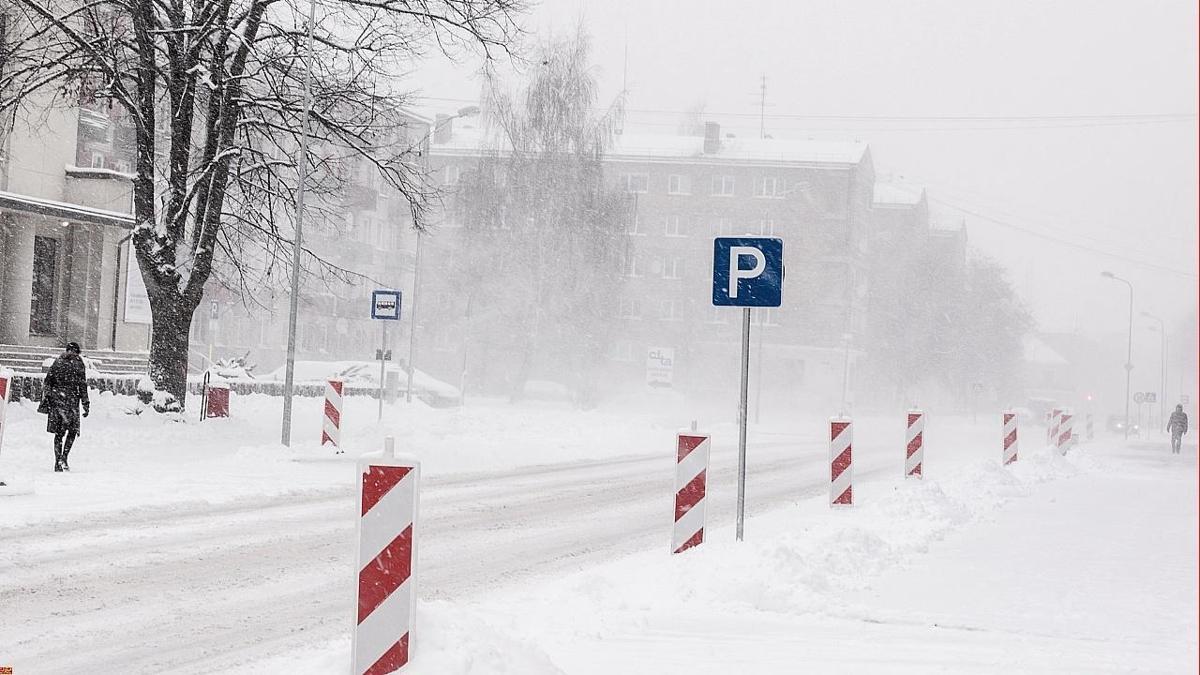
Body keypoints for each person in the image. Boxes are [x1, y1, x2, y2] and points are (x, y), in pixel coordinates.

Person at [40, 341, 90, 471]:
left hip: (58, 402)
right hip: (71, 402)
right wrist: (85, 403)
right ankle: (64, 457)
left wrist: (48, 397)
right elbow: (82, 385)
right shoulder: (79, 364)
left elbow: (47, 381)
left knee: (59, 433)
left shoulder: (58, 362)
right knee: (72, 431)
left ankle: (58, 461)